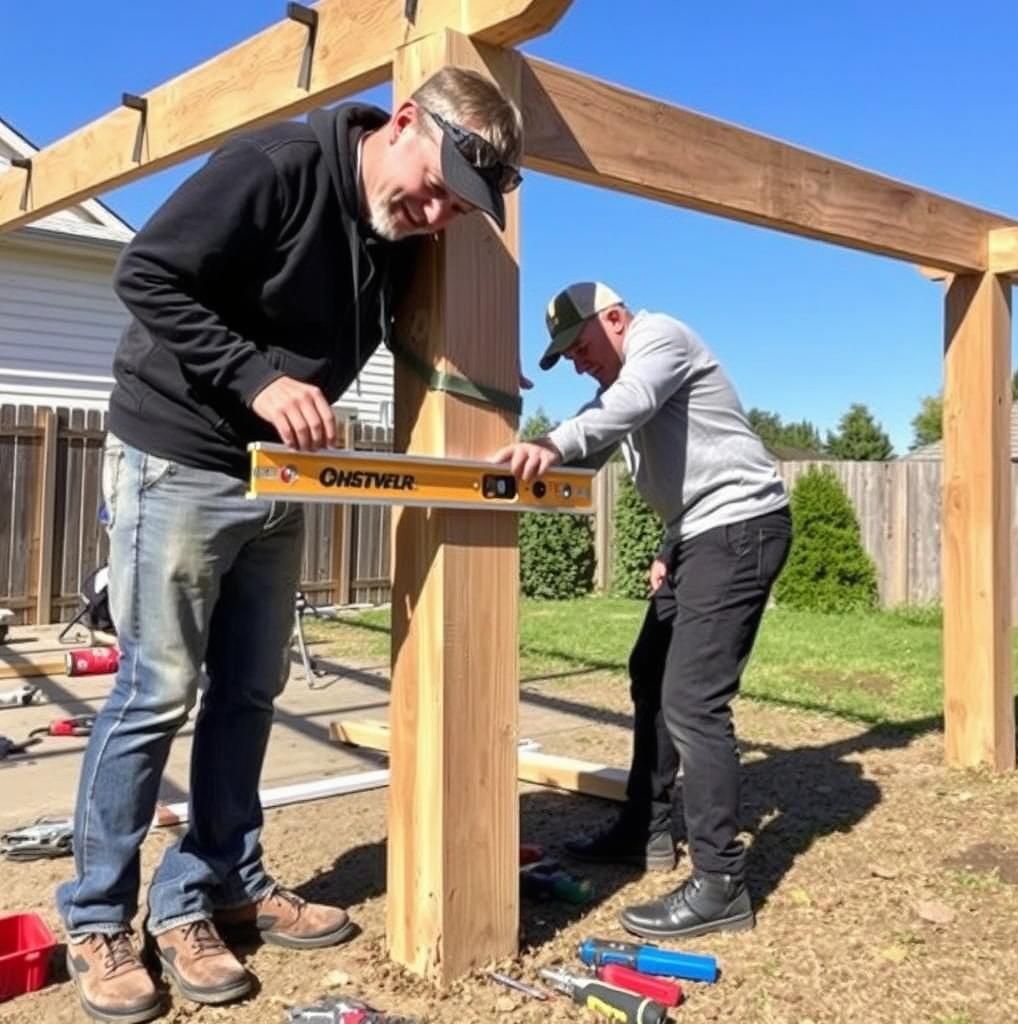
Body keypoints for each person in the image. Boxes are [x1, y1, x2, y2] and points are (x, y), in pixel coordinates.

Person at [58, 67, 524, 1023]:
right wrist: (259, 379)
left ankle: (210, 890)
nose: (435, 213)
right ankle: (100, 919)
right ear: (401, 124)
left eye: (454, 208)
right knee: (155, 689)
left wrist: (492, 390)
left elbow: (406, 340)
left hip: (281, 478)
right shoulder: (276, 167)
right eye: (435, 186)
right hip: (177, 455)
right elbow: (143, 272)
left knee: (251, 688)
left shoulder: (397, 231)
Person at [492, 282, 791, 940]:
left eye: (578, 346)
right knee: (648, 671)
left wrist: (554, 441)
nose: (577, 361)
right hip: (699, 534)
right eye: (566, 356)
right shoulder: (622, 383)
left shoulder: (661, 338)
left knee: (692, 700)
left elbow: (626, 409)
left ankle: (720, 885)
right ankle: (644, 829)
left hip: (741, 527)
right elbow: (611, 443)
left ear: (616, 319)